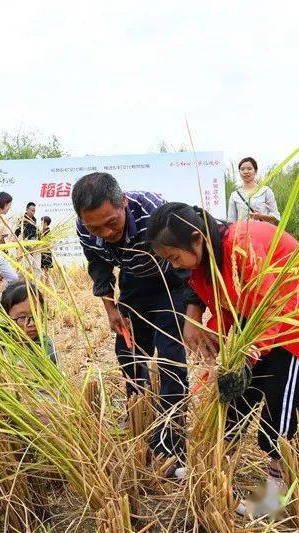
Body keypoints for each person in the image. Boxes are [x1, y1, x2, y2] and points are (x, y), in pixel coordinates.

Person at [146, 202, 299, 516]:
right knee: (234, 397)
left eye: (174, 257)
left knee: (278, 407)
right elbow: (224, 300)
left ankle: (275, 494)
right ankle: (211, 468)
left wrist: (248, 360)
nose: (173, 265)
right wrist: (207, 329)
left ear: (196, 239)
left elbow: (271, 311)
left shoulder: (242, 248)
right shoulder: (205, 259)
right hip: (252, 318)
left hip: (294, 319)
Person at [72, 172, 188, 462]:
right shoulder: (86, 227)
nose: (106, 233)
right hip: (134, 280)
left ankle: (171, 433)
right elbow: (98, 266)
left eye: (112, 223)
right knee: (128, 350)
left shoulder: (153, 211)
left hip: (169, 280)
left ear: (123, 202)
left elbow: (187, 255)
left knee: (170, 355)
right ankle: (140, 412)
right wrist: (111, 310)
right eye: (95, 227)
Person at [0, 280, 59, 367]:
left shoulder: (47, 349)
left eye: (37, 314)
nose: (31, 323)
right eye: (22, 318)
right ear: (6, 318)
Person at [227, 157, 281, 224]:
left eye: (249, 169)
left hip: (262, 232)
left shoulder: (265, 191)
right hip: (242, 233)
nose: (246, 172)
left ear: (255, 171)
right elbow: (231, 222)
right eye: (242, 169)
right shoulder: (234, 195)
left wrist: (260, 216)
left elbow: (276, 216)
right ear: (239, 172)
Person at [17, 202, 42, 277]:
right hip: (25, 247)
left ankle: (36, 287)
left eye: (34, 211)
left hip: (35, 246)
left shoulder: (35, 220)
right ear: (27, 210)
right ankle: (20, 286)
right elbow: (16, 233)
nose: (33, 212)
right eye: (32, 210)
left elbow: (36, 232)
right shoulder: (21, 220)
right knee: (24, 267)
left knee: (37, 267)